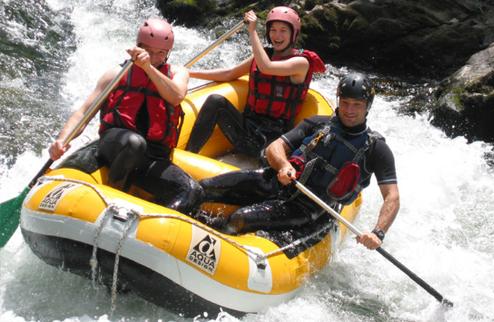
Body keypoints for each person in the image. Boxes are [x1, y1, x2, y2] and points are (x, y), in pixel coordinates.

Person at [197, 72, 400, 250]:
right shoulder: (318, 123)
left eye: (357, 105)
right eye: (345, 103)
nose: (349, 110)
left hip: (307, 208)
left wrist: (378, 232)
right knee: (203, 188)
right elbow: (274, 148)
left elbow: (392, 196)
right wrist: (284, 165)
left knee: (241, 218)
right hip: (276, 183)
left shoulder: (376, 149)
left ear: (367, 107)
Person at [49, 18, 204, 213]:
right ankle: (111, 199)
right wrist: (62, 140)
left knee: (192, 191)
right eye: (148, 51)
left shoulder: (178, 73)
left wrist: (148, 68)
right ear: (138, 47)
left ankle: (151, 229)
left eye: (160, 53)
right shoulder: (115, 73)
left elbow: (176, 96)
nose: (154, 58)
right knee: (134, 143)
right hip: (117, 145)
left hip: (153, 157)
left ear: (168, 53)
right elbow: (83, 112)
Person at [185, 6, 326, 159]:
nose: (277, 35)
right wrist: (189, 73)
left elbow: (267, 67)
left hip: (274, 139)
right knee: (215, 101)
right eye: (273, 30)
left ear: (294, 34)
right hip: (248, 132)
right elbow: (230, 73)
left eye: (283, 30)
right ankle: (189, 154)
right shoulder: (262, 56)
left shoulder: (300, 63)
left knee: (268, 162)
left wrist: (252, 31)